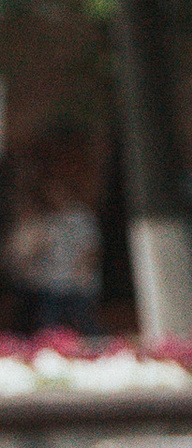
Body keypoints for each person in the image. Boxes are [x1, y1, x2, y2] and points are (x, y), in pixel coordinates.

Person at [2, 134, 104, 337]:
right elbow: (28, 251)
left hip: (73, 284)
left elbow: (90, 250)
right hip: (48, 285)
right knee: (47, 324)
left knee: (81, 321)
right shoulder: (47, 221)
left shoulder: (81, 218)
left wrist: (82, 274)